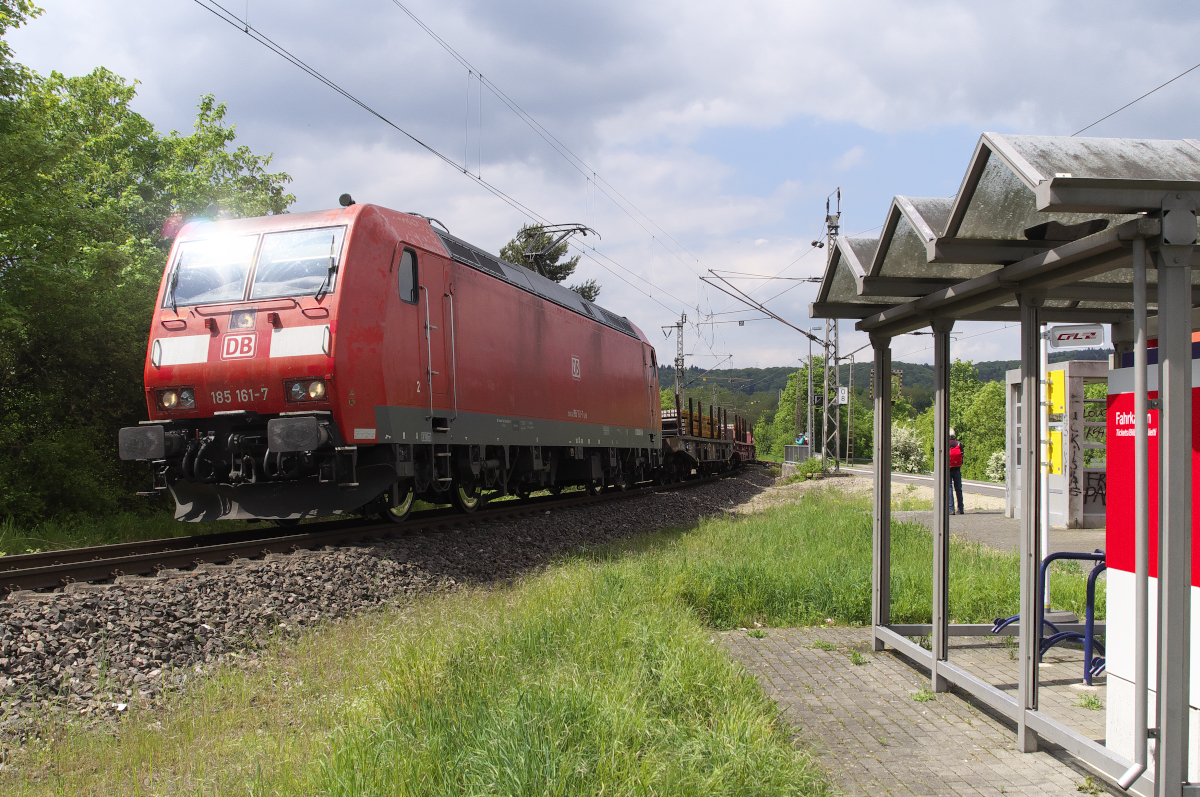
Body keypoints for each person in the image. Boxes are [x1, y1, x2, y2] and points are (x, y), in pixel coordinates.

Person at [948, 428, 965, 515]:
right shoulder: (959, 444)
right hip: (957, 469)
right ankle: (961, 508)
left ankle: (951, 509)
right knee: (958, 489)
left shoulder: (945, 444)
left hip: (948, 469)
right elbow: (962, 456)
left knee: (949, 488)